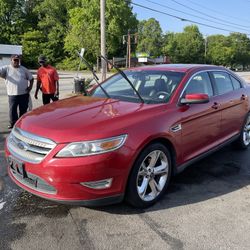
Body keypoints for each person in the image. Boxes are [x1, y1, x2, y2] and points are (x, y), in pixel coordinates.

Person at [0, 54, 34, 129]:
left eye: (17, 60)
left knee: (23, 110)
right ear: (11, 60)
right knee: (12, 111)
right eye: (15, 60)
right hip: (12, 95)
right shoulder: (6, 68)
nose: (16, 61)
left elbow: (31, 79)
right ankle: (13, 124)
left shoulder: (24, 69)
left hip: (24, 94)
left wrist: (30, 87)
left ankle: (22, 124)